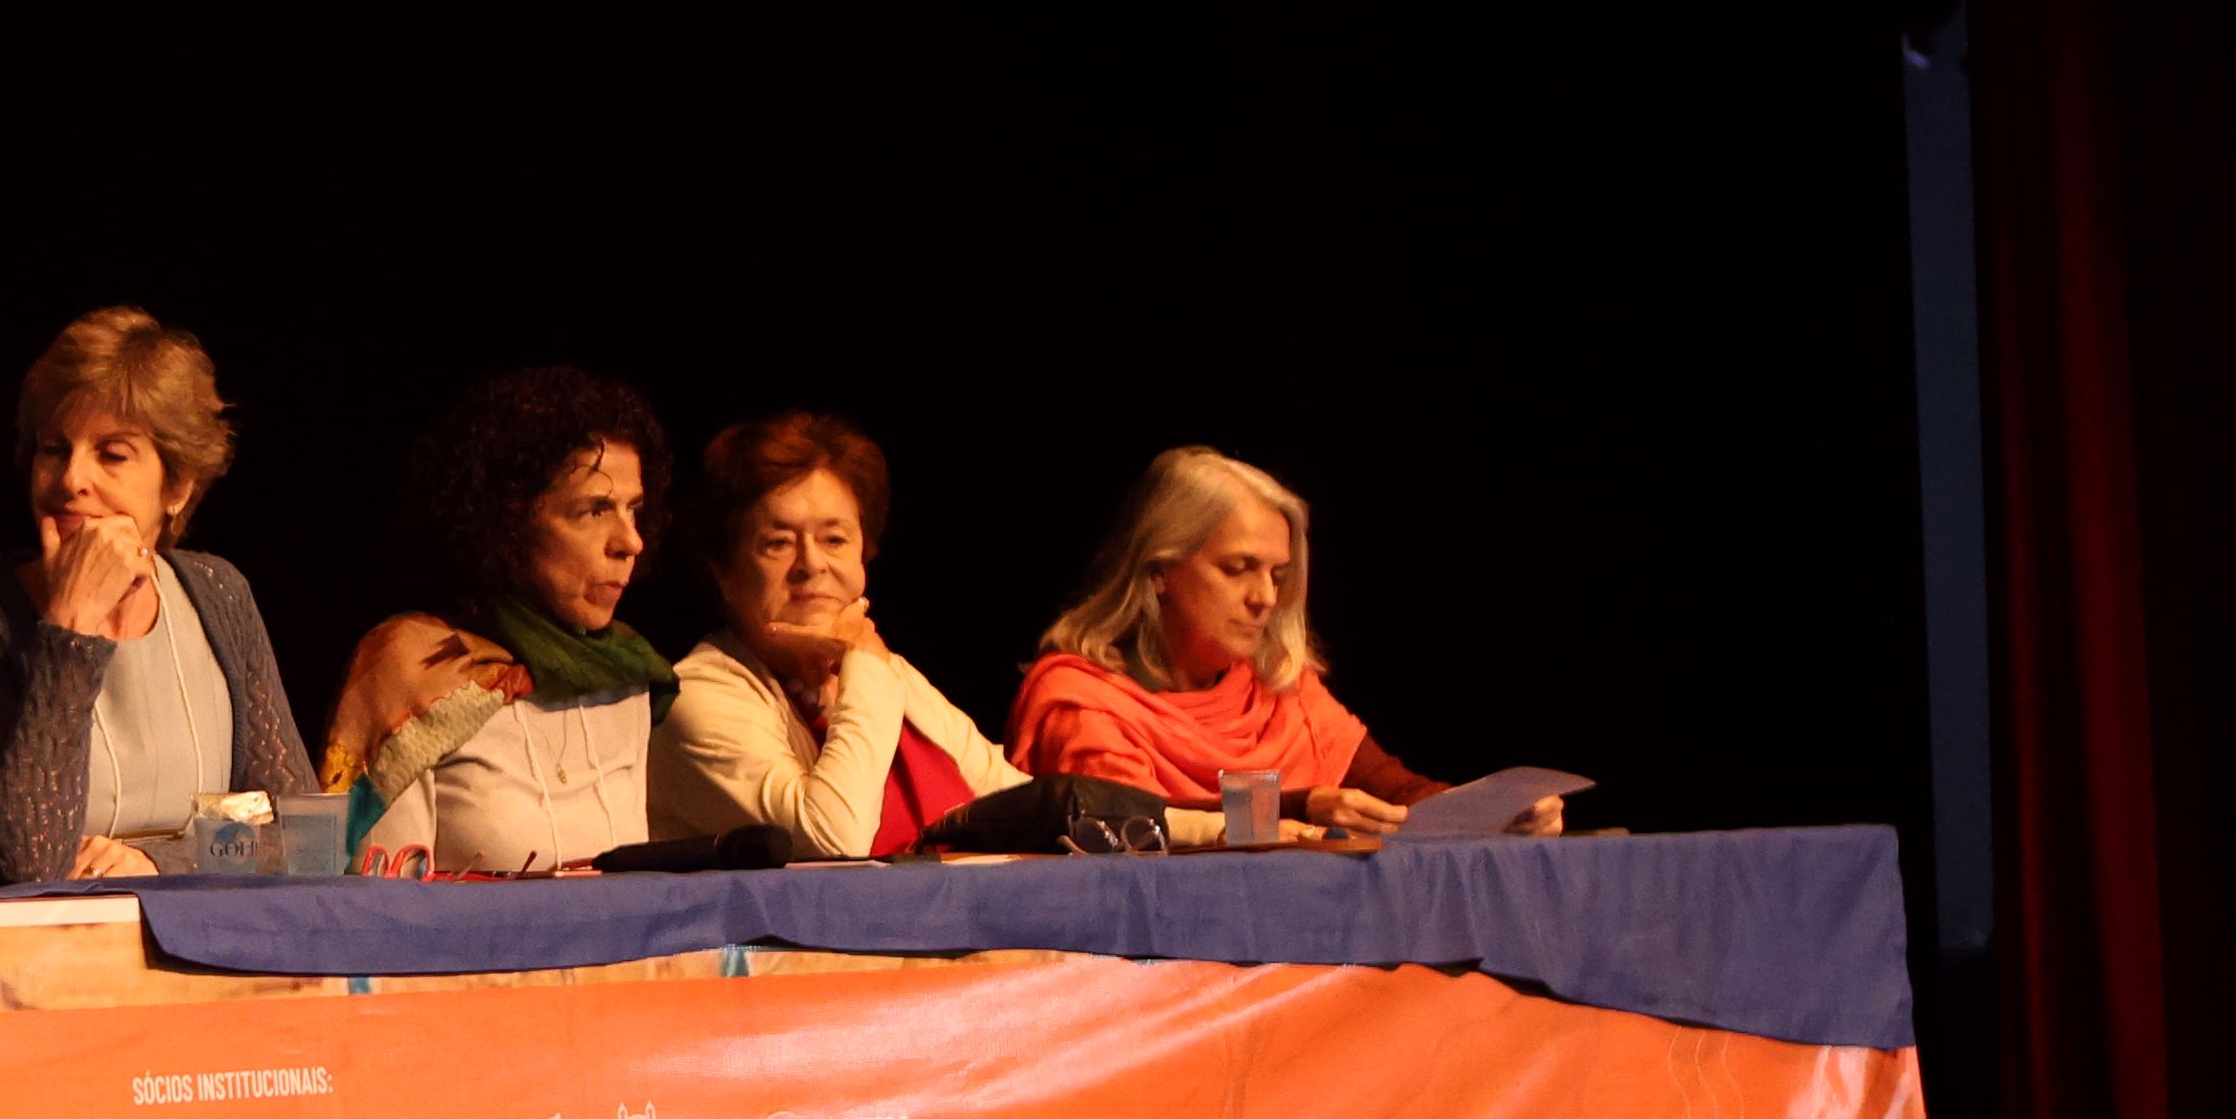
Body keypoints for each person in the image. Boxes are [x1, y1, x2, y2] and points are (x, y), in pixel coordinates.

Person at [0, 305, 320, 881]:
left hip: (216, 938)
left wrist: (157, 863)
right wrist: (70, 628)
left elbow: (304, 838)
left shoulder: (218, 594)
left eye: (112, 454)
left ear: (177, 484)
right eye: (54, 449)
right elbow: (25, 867)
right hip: (55, 953)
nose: (72, 478)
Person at [1007, 444, 1559, 833]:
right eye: (1239, 567)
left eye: (1276, 574)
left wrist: (1498, 815)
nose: (1266, 598)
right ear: (1160, 572)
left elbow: (1397, 793)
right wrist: (1302, 808)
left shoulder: (1279, 687)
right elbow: (1143, 830)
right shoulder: (1082, 701)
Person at [328, 369, 682, 874]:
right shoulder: (419, 670)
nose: (631, 541)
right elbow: (378, 908)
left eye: (633, 510)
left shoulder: (627, 674)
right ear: (508, 522)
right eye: (594, 511)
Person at [645, 410, 1026, 859]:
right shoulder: (697, 695)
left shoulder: (888, 674)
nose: (812, 564)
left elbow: (1013, 803)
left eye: (835, 540)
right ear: (723, 571)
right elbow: (830, 840)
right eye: (778, 543)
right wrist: (863, 659)